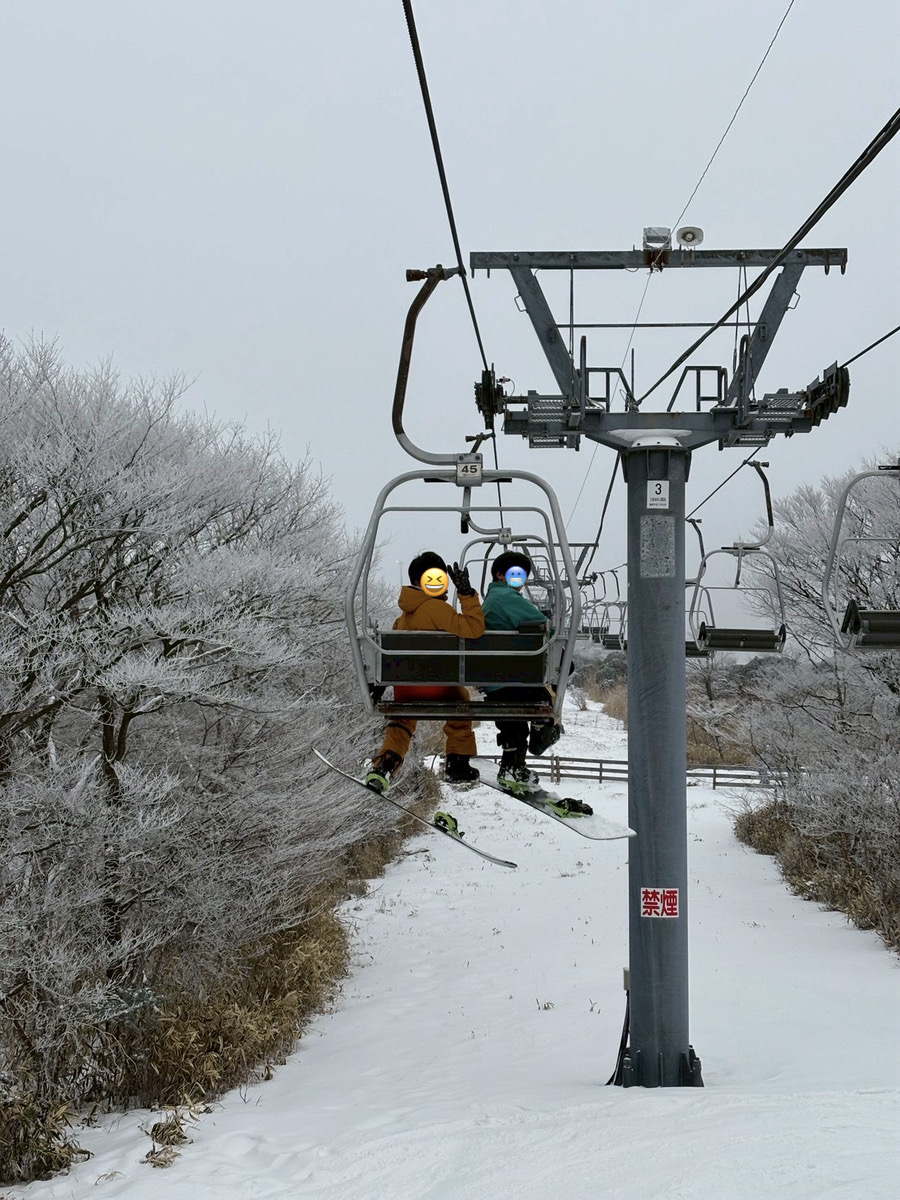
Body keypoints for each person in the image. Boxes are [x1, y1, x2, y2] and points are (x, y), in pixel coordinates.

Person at [365, 551, 483, 794]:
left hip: (408, 691)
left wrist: (379, 686)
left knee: (402, 721)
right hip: (440, 689)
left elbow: (388, 656)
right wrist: (466, 594)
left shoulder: (402, 618)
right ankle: (457, 763)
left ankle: (385, 765)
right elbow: (474, 628)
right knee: (461, 701)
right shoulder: (436, 609)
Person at [481, 551, 589, 813]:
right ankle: (542, 733)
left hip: (495, 682)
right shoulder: (505, 598)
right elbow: (544, 625)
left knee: (515, 723)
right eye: (515, 574)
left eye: (522, 577)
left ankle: (514, 765)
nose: (519, 580)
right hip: (514, 681)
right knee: (551, 687)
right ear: (499, 574)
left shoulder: (491, 599)